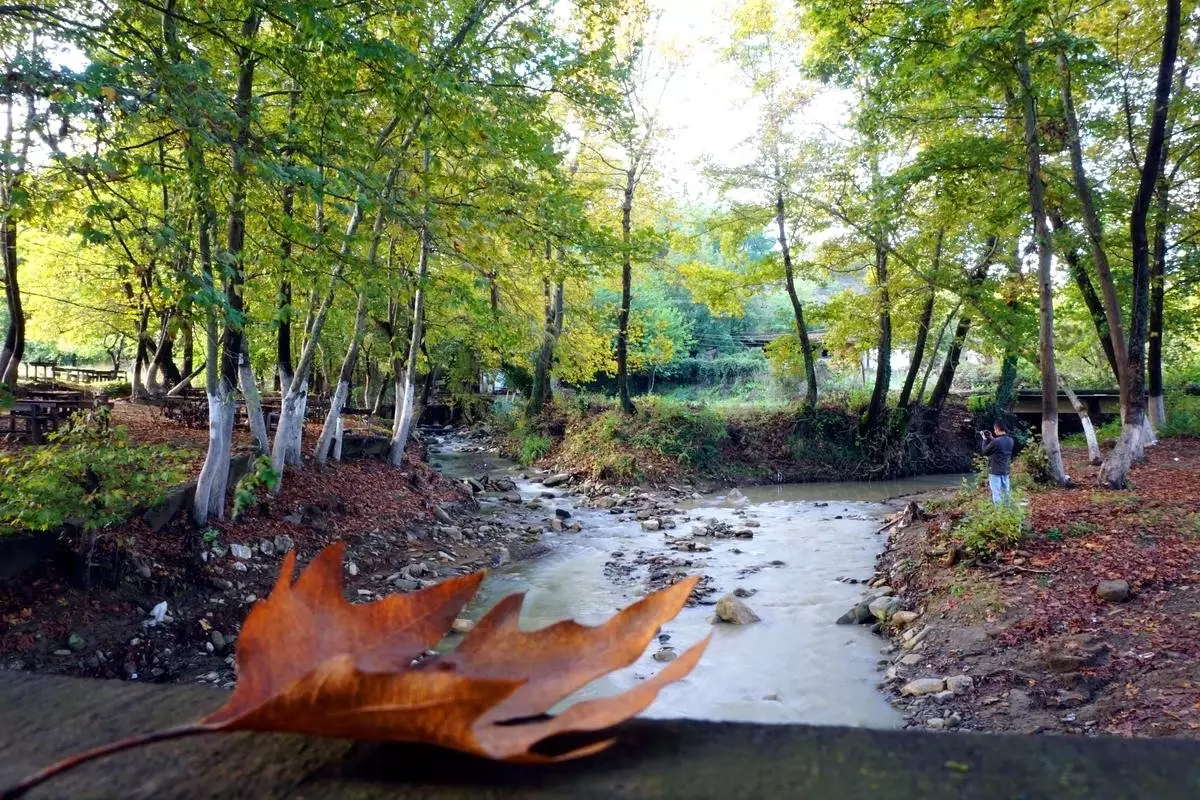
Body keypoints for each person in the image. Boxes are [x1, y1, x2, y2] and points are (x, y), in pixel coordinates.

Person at [980, 420, 1014, 505]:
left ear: (998, 429)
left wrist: (984, 440)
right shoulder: (1010, 440)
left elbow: (985, 452)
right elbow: (1000, 445)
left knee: (997, 494)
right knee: (1006, 492)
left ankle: (999, 512)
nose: (994, 431)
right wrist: (991, 438)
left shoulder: (997, 441)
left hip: (995, 471)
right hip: (1005, 470)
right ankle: (1007, 511)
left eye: (995, 429)